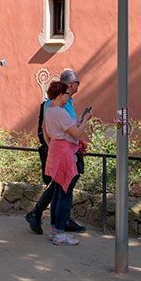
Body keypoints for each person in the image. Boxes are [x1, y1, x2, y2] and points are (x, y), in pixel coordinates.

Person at [26, 68, 87, 235]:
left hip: (65, 147)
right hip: (61, 149)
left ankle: (60, 220)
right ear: (68, 85)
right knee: (61, 186)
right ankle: (42, 216)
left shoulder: (66, 102)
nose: (77, 87)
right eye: (76, 84)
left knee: (62, 185)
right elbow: (50, 128)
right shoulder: (55, 104)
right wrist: (55, 146)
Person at [41, 80, 92, 246]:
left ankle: (55, 231)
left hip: (55, 150)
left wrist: (53, 145)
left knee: (57, 193)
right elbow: (76, 133)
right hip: (64, 153)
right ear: (60, 95)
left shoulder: (48, 111)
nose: (67, 98)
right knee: (64, 194)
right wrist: (86, 120)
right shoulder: (60, 113)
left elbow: (45, 132)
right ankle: (60, 233)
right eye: (66, 95)